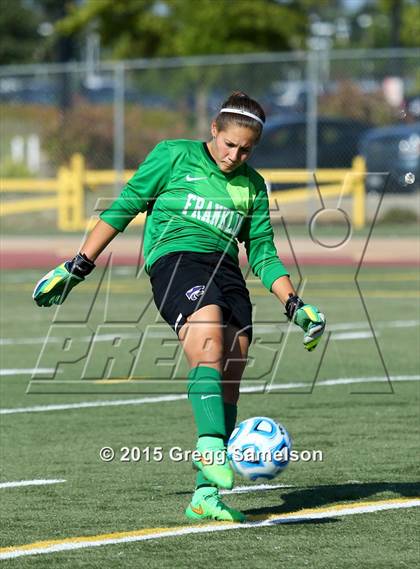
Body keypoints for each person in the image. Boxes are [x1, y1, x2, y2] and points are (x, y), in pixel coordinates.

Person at [33, 91, 326, 523]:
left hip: (226, 271)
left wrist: (295, 304)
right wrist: (78, 266)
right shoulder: (172, 156)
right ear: (214, 131)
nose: (235, 155)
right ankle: (210, 448)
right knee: (207, 339)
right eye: (230, 144)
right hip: (177, 260)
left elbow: (262, 253)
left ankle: (205, 496)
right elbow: (124, 207)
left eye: (246, 149)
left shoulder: (252, 186)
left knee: (233, 365)